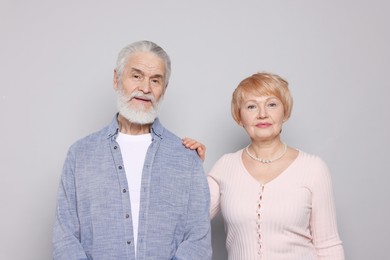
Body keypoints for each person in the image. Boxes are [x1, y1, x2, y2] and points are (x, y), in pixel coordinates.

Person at [52, 40, 212, 260]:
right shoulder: (80, 155)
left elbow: (198, 241)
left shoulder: (186, 157)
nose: (145, 88)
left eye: (155, 80)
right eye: (136, 76)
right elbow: (65, 239)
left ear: (163, 90)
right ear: (117, 79)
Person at [184, 72, 344, 259]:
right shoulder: (225, 166)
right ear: (239, 117)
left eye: (272, 104)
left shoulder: (314, 168)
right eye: (251, 106)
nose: (262, 114)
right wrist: (191, 166)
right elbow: (189, 218)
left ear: (285, 112)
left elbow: (329, 245)